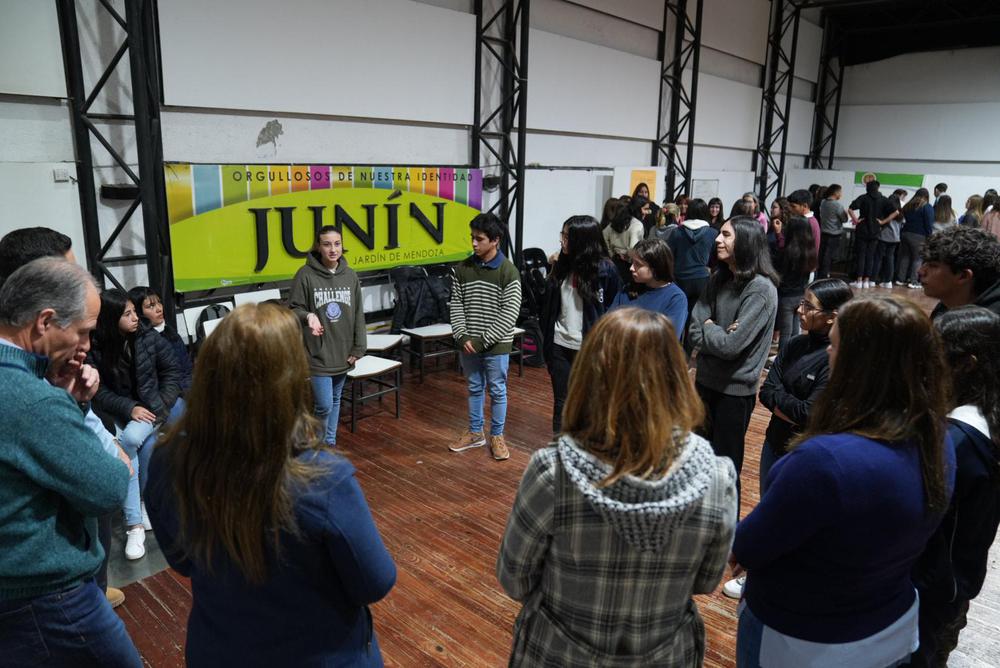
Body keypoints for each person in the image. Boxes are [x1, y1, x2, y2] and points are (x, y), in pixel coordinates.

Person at [145, 302, 396, 667]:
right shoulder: (322, 478)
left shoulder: (167, 457)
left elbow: (181, 561)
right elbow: (375, 582)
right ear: (290, 378)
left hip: (218, 649)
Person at [497, 307, 737, 667]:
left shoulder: (553, 471)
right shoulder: (718, 478)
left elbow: (514, 579)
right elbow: (706, 581)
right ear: (677, 376)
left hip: (558, 654)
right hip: (666, 655)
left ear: (590, 375)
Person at [732, 295, 955, 668]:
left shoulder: (825, 462)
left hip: (803, 637)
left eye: (834, 346)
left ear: (858, 364)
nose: (828, 355)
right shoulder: (938, 438)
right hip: (887, 622)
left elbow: (749, 546)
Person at [0, 258, 138, 666]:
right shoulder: (32, 398)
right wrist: (68, 407)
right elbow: (110, 487)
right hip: (49, 600)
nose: (87, 346)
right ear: (44, 322)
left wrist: (71, 406)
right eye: (83, 331)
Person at [910, 306, 1000, 667]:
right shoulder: (985, 420)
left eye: (935, 355)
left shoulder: (958, 440)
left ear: (968, 364)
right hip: (954, 583)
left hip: (929, 587)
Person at [687, 216, 779, 503]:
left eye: (726, 234)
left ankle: (728, 537)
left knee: (724, 472)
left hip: (733, 393)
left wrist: (710, 327)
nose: (717, 239)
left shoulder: (761, 289)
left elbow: (731, 346)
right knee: (697, 464)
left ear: (746, 242)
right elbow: (693, 329)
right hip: (704, 383)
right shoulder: (718, 277)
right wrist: (713, 329)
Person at [88, 289, 183, 561]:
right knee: (140, 448)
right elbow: (99, 390)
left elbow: (172, 371)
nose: (135, 318)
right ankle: (138, 517)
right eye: (127, 313)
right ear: (110, 318)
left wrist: (157, 404)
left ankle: (135, 522)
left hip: (152, 409)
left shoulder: (148, 337)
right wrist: (129, 407)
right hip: (119, 412)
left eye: (134, 311)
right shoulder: (97, 345)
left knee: (128, 443)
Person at [448, 213, 522, 461]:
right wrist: (462, 335)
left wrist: (483, 340)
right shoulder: (462, 269)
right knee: (474, 387)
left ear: (495, 240)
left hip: (495, 345)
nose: (474, 243)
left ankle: (497, 436)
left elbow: (509, 313)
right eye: (472, 238)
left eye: (479, 239)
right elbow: (456, 305)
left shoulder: (508, 272)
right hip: (468, 343)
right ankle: (475, 431)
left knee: (498, 390)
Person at [289, 226, 366, 447]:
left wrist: (359, 347)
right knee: (324, 405)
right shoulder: (305, 275)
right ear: (318, 247)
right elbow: (293, 308)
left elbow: (359, 313)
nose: (333, 249)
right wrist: (308, 316)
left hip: (343, 352)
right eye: (327, 244)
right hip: (317, 352)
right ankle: (315, 444)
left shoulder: (350, 276)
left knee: (335, 399)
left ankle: (328, 444)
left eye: (337, 243)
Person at [542, 215, 621, 433]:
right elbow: (550, 307)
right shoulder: (561, 266)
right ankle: (561, 453)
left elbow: (613, 307)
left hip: (590, 349)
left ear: (583, 241)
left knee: (590, 406)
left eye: (567, 237)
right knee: (562, 404)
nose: (562, 241)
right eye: (562, 235)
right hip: (560, 345)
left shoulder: (606, 270)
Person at [919, 226, 1000, 318]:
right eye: (924, 263)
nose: (921, 271)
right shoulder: (945, 307)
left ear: (963, 276)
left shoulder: (991, 326)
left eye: (933, 266)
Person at [611, 238, 688, 336]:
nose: (631, 268)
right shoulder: (628, 289)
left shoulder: (676, 298)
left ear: (656, 267)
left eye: (638, 264)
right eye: (632, 262)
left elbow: (667, 339)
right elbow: (609, 323)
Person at [128, 286, 193, 391]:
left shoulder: (171, 333)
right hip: (165, 397)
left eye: (159, 302)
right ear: (138, 313)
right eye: (151, 306)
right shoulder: (139, 342)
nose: (159, 309)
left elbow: (186, 370)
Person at [772, 216, 817, 351]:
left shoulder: (786, 253)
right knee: (795, 330)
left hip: (786, 296)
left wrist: (779, 235)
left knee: (785, 332)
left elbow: (777, 272)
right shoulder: (810, 252)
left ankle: (782, 361)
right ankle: (793, 357)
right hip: (801, 295)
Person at [849, 179, 895, 289]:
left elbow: (850, 208)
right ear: (878, 188)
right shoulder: (883, 199)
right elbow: (896, 212)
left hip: (862, 229)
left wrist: (855, 220)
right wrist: (883, 222)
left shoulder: (863, 198)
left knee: (861, 255)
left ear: (867, 188)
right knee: (871, 256)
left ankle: (859, 280)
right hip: (875, 230)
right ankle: (867, 280)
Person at [897, 187, 935, 288]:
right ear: (927, 196)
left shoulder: (908, 206)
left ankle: (900, 279)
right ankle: (913, 281)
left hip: (905, 233)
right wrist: (929, 236)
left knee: (905, 257)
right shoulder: (927, 207)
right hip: (919, 235)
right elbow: (928, 224)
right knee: (917, 259)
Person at [817, 184, 856, 279]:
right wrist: (846, 214)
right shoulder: (837, 205)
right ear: (836, 193)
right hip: (834, 234)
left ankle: (821, 274)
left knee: (822, 254)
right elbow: (844, 219)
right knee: (829, 256)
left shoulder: (823, 202)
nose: (841, 194)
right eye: (840, 192)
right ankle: (825, 275)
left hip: (824, 232)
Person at [603, 200, 645, 282]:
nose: (647, 212)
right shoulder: (636, 224)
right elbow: (634, 248)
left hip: (615, 261)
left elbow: (603, 236)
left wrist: (611, 253)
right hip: (629, 264)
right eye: (645, 209)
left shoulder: (613, 223)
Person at [872, 189, 905, 289]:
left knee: (878, 258)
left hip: (884, 237)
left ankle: (873, 279)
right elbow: (903, 224)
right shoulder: (900, 213)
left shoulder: (886, 212)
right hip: (895, 238)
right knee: (890, 259)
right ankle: (888, 281)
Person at [785, 189, 821, 255]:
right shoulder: (800, 220)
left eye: (793, 206)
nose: (790, 209)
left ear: (805, 206)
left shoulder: (810, 223)